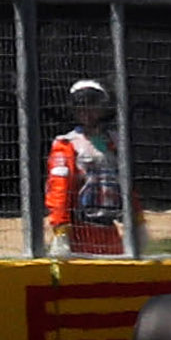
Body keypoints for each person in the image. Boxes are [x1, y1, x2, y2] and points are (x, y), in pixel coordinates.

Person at [40, 77, 129, 257]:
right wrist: (61, 231)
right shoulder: (67, 144)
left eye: (92, 104)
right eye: (81, 105)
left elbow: (129, 184)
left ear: (103, 108)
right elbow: (59, 190)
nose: (86, 111)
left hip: (109, 227)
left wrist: (137, 220)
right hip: (80, 229)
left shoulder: (116, 141)